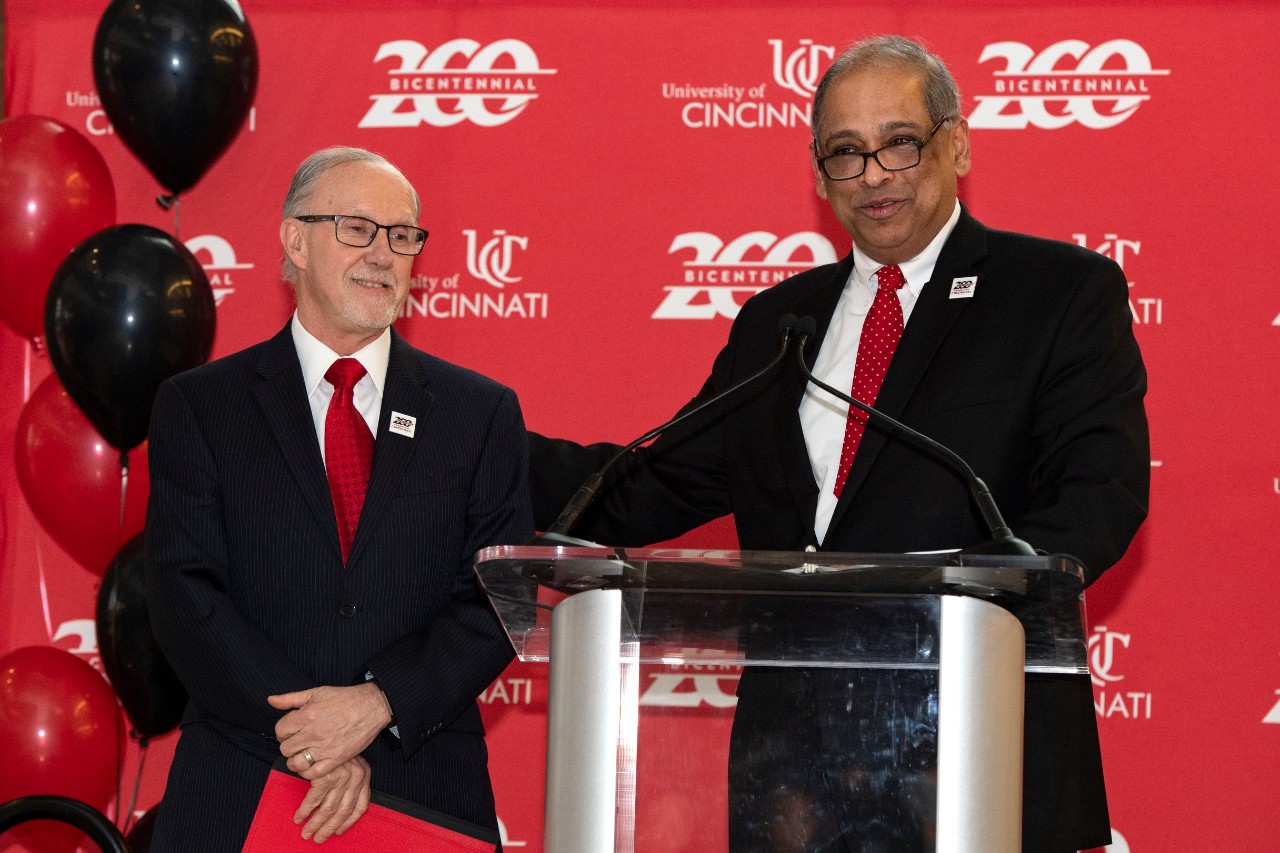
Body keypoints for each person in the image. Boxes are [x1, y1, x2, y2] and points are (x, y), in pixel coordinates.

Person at [529, 35, 1148, 852]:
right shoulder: (778, 326)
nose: (874, 175)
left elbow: (1098, 493)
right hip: (795, 770)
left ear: (956, 144)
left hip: (977, 733)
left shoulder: (1058, 293)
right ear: (819, 174)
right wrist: (473, 448)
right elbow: (651, 483)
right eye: (846, 153)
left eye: (900, 142)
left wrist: (970, 602)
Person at [146, 146, 532, 850]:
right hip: (244, 771)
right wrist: (308, 735)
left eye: (402, 235)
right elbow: (185, 591)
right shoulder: (201, 406)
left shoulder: (480, 413)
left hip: (422, 780)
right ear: (295, 238)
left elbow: (500, 598)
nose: (383, 253)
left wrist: (380, 703)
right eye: (357, 228)